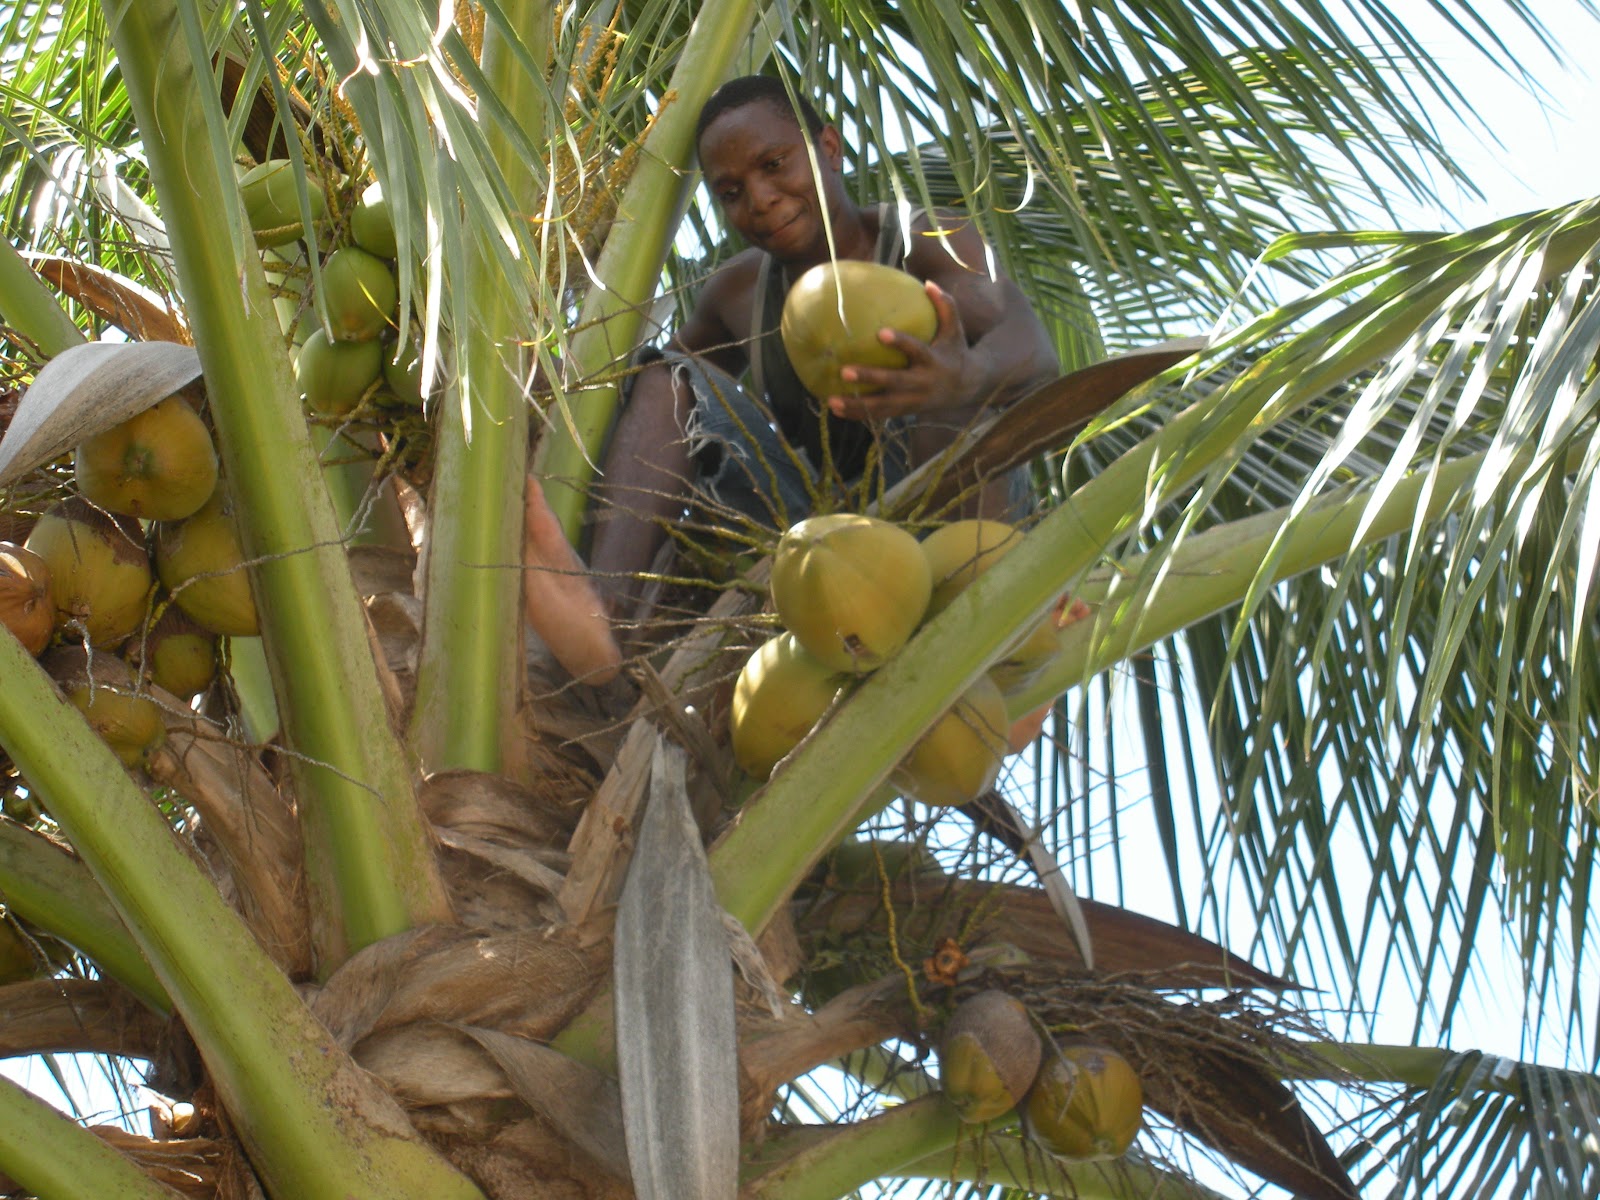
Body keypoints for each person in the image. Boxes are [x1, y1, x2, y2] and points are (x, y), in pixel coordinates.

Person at [524, 75, 1058, 682]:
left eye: (774, 164)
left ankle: (957, 612)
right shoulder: (740, 291)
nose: (760, 198)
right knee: (666, 373)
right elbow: (657, 409)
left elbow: (1025, 337)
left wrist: (965, 378)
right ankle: (608, 619)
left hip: (951, 528)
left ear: (829, 147)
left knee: (951, 382)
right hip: (819, 544)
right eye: (730, 192)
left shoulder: (922, 239)